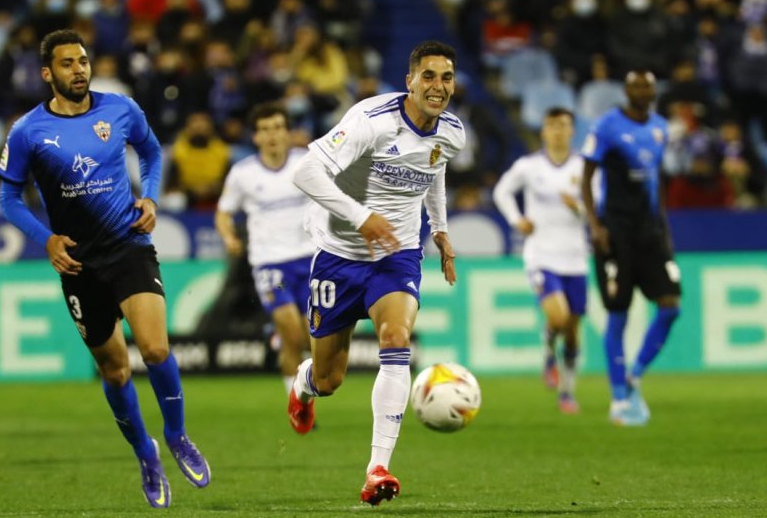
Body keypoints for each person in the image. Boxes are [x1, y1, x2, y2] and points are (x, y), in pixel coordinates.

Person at [0, 29, 210, 509]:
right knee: (115, 371)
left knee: (155, 348)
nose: (79, 70)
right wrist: (45, 238)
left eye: (84, 61)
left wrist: (151, 195)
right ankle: (145, 454)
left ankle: (176, 435)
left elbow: (153, 152)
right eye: (68, 64)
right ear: (47, 73)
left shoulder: (120, 109)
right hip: (78, 261)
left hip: (128, 245)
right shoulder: (27, 131)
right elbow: (9, 198)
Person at [288, 40, 465, 506]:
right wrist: (360, 216)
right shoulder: (371, 121)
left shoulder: (452, 131)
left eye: (446, 78)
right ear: (409, 80)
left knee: (395, 337)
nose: (438, 87)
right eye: (428, 76)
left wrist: (441, 230)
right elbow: (305, 173)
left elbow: (435, 167)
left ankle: (377, 468)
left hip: (397, 254)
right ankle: (303, 387)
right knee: (330, 379)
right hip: (340, 255)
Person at [580, 70, 681, 427]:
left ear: (654, 91)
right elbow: (587, 176)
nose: (642, 91)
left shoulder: (659, 127)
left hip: (650, 233)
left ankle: (635, 374)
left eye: (648, 86)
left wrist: (664, 233)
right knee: (618, 314)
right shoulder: (606, 126)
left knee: (670, 307)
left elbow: (656, 182)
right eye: (636, 86)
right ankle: (619, 398)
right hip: (616, 232)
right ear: (626, 90)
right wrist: (595, 226)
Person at [215, 102, 315, 398]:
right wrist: (229, 237)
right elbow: (223, 212)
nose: (271, 135)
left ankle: (278, 339)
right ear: (255, 137)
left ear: (288, 132)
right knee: (292, 333)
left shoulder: (307, 162)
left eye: (277, 128)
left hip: (310, 259)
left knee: (313, 337)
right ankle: (296, 401)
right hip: (271, 263)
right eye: (264, 130)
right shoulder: (243, 173)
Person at [492, 107, 588, 414]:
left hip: (575, 257)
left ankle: (567, 392)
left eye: (563, 125)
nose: (558, 131)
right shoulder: (529, 166)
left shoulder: (585, 167)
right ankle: (549, 348)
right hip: (541, 255)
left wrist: (580, 208)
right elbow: (502, 192)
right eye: (552, 125)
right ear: (543, 131)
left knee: (572, 331)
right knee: (558, 318)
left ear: (573, 130)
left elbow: (598, 209)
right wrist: (516, 220)